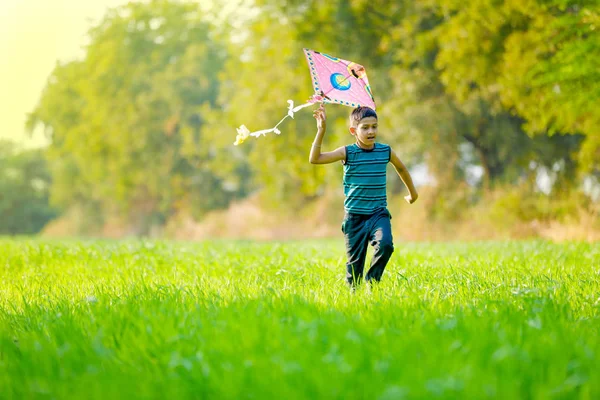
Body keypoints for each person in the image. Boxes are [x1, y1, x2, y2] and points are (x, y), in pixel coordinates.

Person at [309, 103, 418, 288]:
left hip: (378, 214)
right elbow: (315, 158)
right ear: (353, 130)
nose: (371, 131)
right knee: (354, 272)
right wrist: (321, 130)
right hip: (354, 217)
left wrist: (412, 194)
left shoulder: (385, 151)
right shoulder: (348, 152)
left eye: (374, 126)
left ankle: (373, 282)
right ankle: (355, 298)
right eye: (365, 127)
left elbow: (401, 168)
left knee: (386, 245)